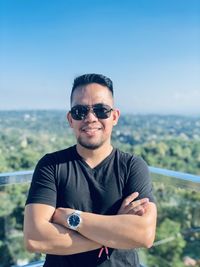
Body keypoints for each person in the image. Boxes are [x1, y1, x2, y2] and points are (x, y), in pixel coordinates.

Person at [24, 73, 157, 267]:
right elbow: (35, 238)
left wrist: (70, 218)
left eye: (101, 110)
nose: (90, 118)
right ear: (70, 119)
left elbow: (144, 235)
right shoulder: (51, 166)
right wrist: (117, 231)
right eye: (80, 111)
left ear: (114, 117)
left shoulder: (132, 166)